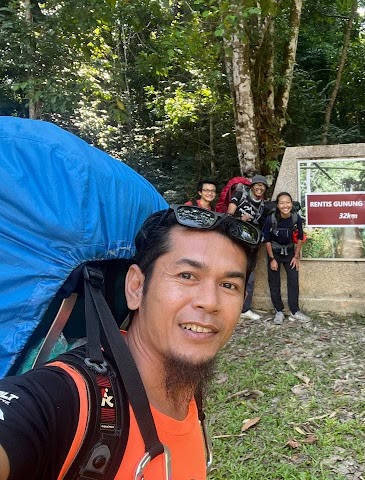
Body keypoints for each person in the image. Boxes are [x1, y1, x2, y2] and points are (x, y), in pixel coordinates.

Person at [0, 205, 260, 479]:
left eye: (228, 285)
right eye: (187, 276)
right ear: (136, 287)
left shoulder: (188, 387)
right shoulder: (64, 397)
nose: (210, 302)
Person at [262, 192, 310, 325]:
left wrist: (296, 256)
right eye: (282, 203)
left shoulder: (296, 218)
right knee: (274, 282)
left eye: (287, 202)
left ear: (291, 203)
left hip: (290, 253)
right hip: (275, 253)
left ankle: (295, 311)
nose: (285, 205)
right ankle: (279, 311)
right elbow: (267, 240)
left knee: (293, 280)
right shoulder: (271, 219)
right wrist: (272, 259)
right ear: (277, 205)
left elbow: (300, 237)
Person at [227, 174, 269, 321]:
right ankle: (227, 308)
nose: (260, 188)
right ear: (252, 186)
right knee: (230, 274)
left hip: (251, 244)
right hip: (234, 240)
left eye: (263, 186)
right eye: (257, 185)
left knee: (249, 277)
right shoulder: (240, 193)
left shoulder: (263, 206)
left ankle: (245, 309)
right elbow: (229, 215)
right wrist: (241, 219)